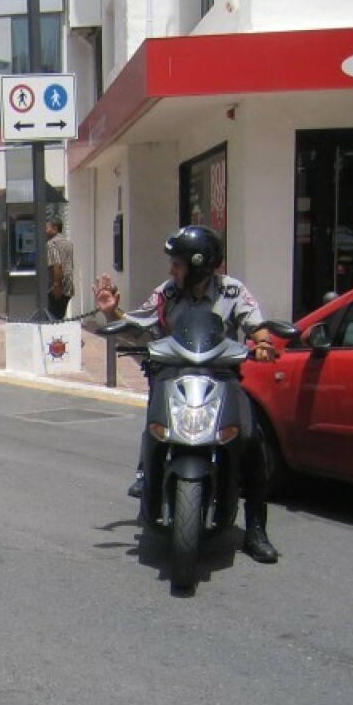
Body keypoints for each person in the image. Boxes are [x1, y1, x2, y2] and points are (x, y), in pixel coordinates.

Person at [94, 225, 281, 564]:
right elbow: (140, 324)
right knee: (157, 427)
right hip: (173, 372)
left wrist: (264, 342)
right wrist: (112, 312)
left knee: (251, 441)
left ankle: (255, 530)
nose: (171, 270)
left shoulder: (231, 291)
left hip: (221, 374)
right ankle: (145, 476)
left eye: (177, 264)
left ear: (198, 266)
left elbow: (255, 324)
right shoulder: (167, 292)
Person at [45, 217, 75, 321]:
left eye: (47, 227)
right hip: (68, 286)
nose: (45, 230)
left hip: (58, 287)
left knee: (52, 318)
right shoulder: (68, 242)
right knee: (60, 316)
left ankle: (56, 336)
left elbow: (57, 265)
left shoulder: (52, 243)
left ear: (55, 228)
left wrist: (56, 286)